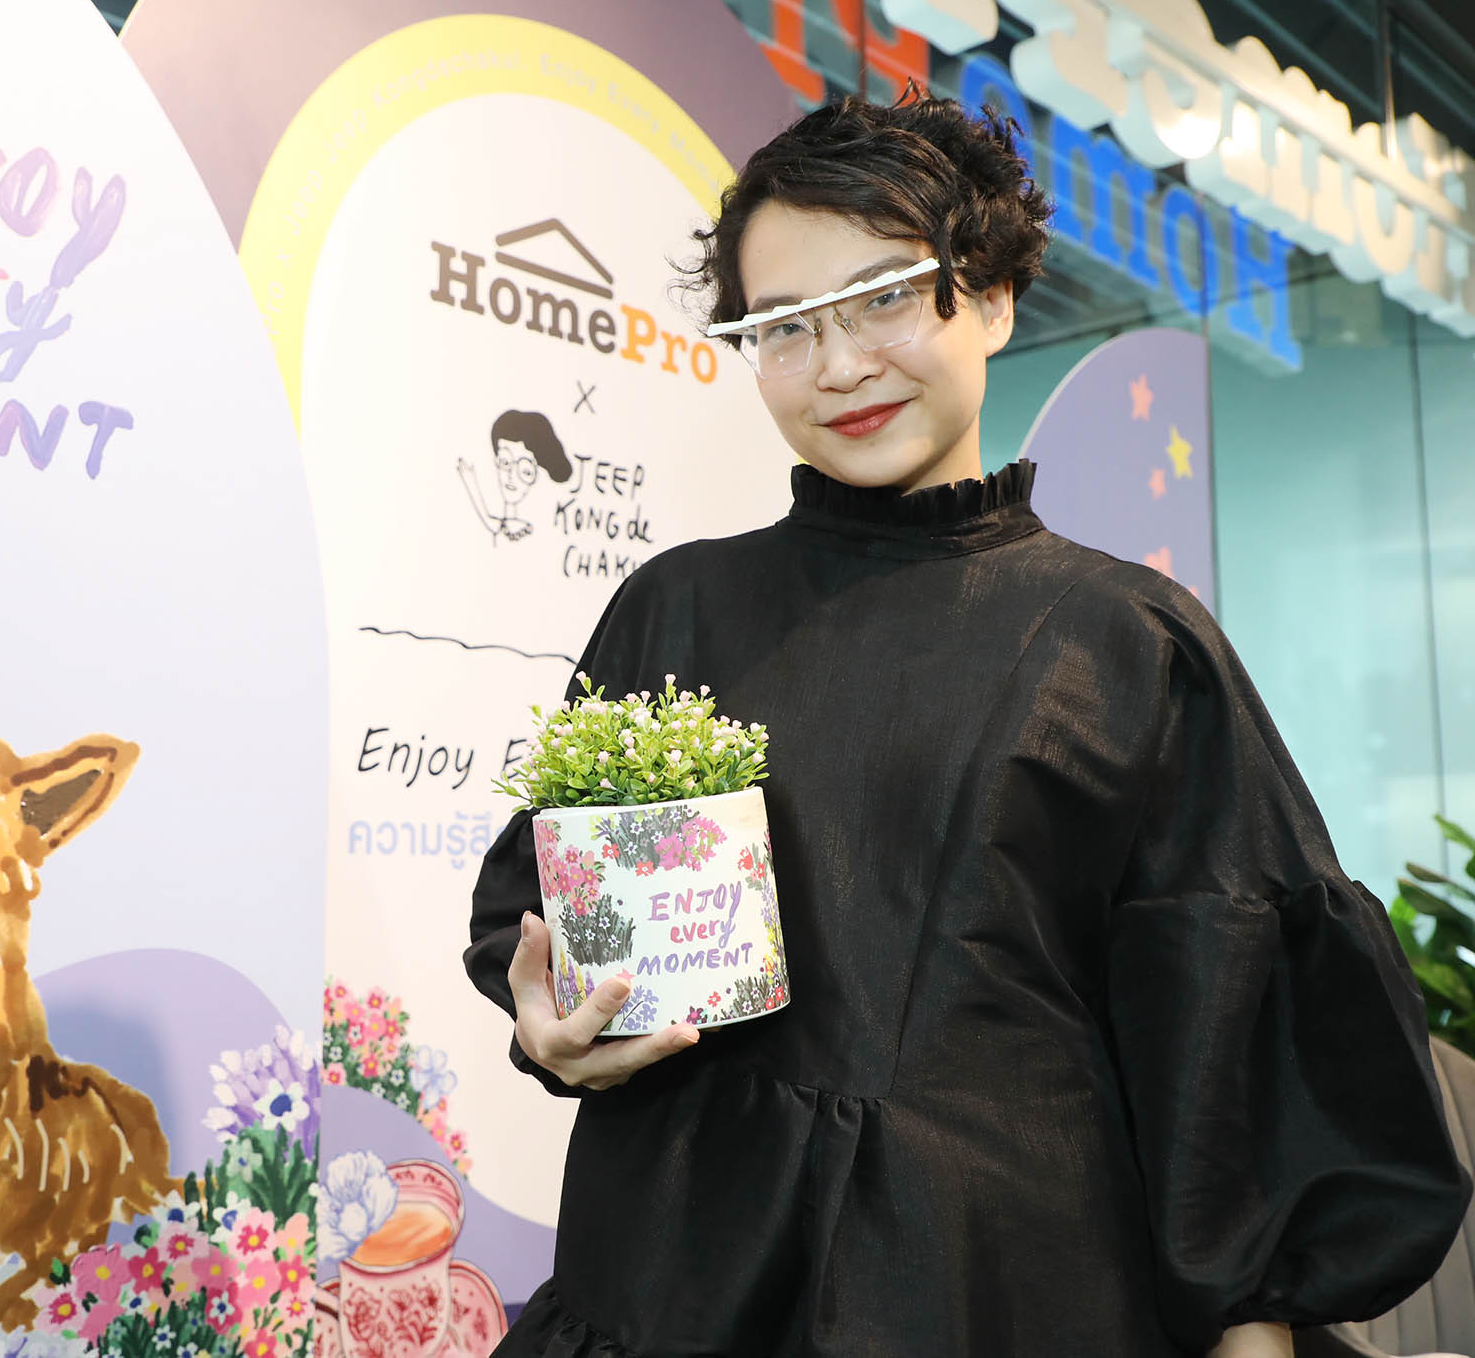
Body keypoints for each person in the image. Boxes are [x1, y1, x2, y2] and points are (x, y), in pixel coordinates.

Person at [463, 85, 1470, 1358]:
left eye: (882, 297)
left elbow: (1219, 1016)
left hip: (997, 1286)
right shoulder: (677, 610)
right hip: (674, 1273)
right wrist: (557, 1031)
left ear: (988, 298)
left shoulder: (1127, 640)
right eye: (783, 326)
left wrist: (1249, 1327)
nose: (838, 365)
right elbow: (546, 910)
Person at [458, 408, 573, 542]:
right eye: (505, 462)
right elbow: (491, 523)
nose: (511, 476)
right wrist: (470, 481)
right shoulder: (502, 525)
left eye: (525, 471)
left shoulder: (526, 529)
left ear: (536, 476)